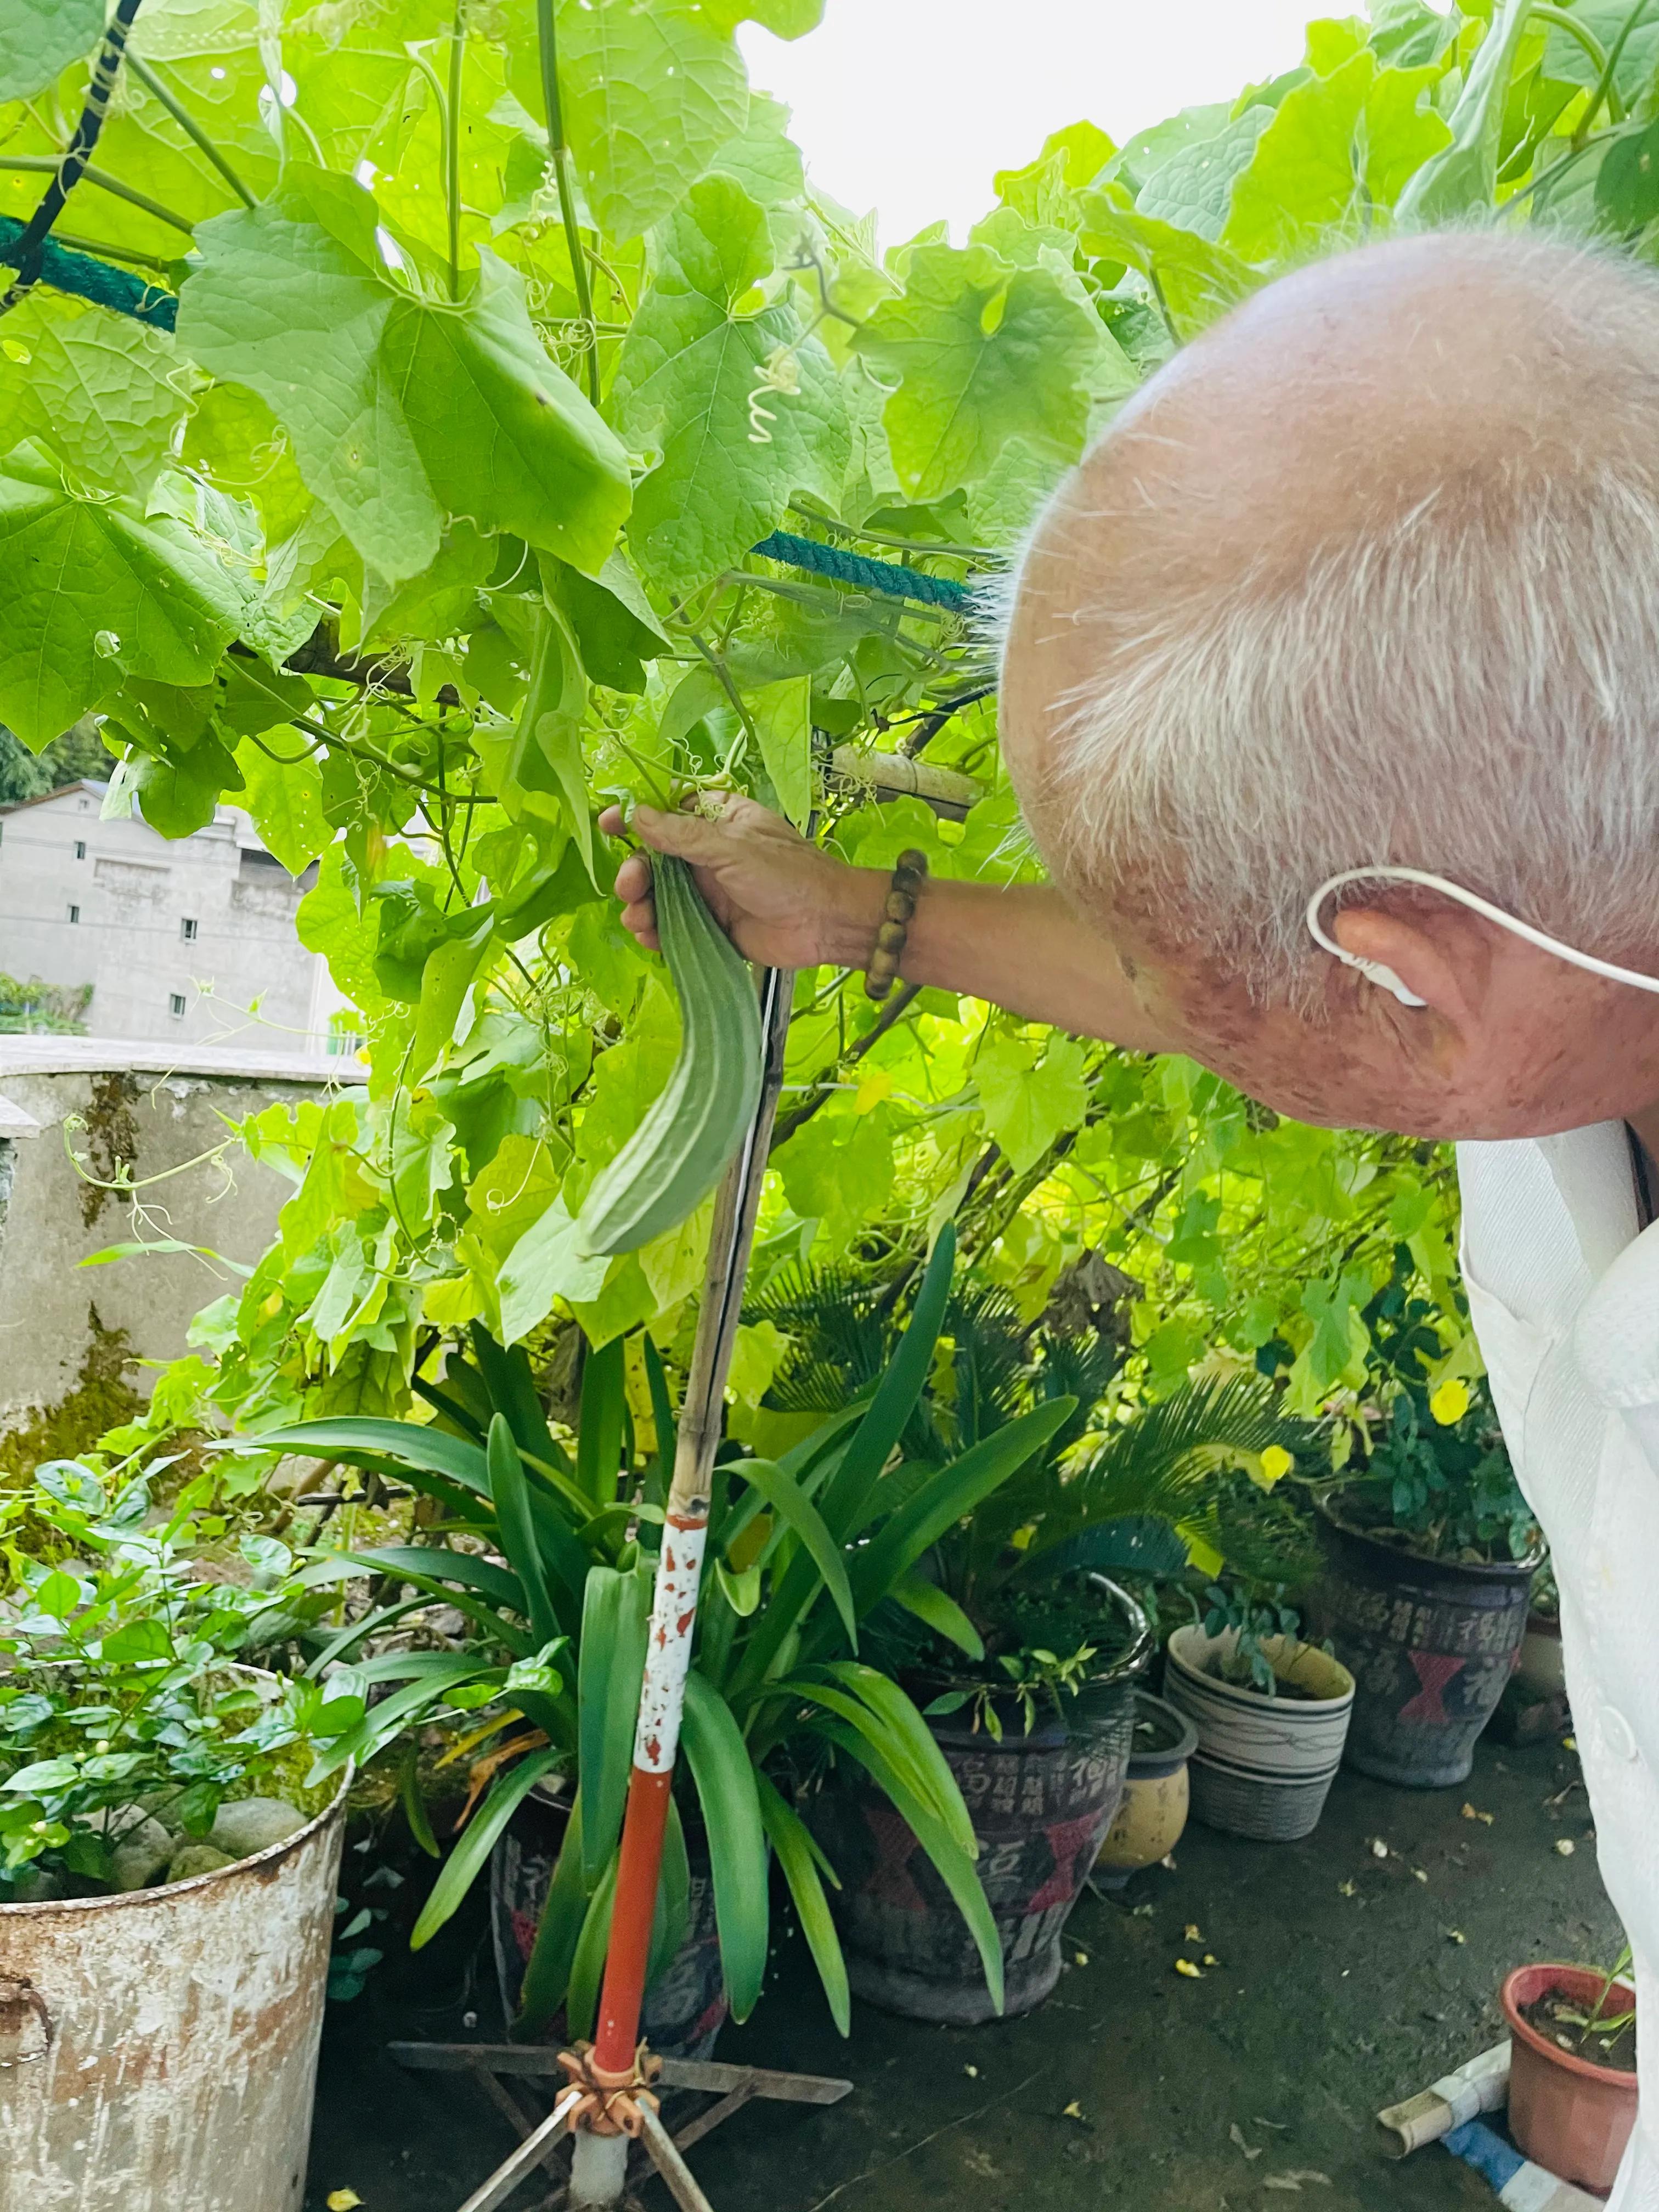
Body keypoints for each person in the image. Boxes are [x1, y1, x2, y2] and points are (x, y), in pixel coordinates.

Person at [604, 229, 1659, 2206]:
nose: (1160, 988)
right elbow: (1252, 976)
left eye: (1184, 959)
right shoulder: (1584, 945)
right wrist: (861, 916)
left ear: (1414, 982)